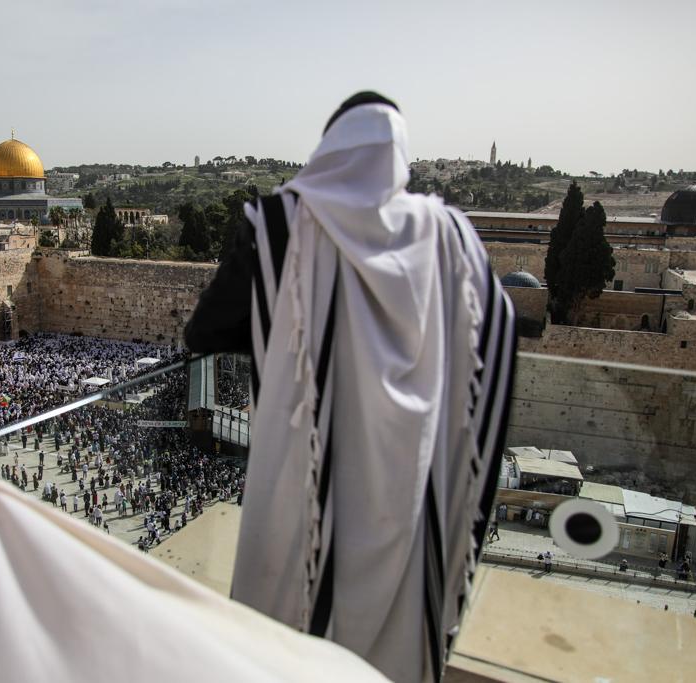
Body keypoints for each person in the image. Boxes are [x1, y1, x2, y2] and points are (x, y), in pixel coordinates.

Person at [185, 92, 516, 682]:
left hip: (301, 495)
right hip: (415, 505)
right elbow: (496, 332)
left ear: (327, 149)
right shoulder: (451, 239)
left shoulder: (282, 224)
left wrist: (293, 333)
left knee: (287, 636)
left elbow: (204, 330)